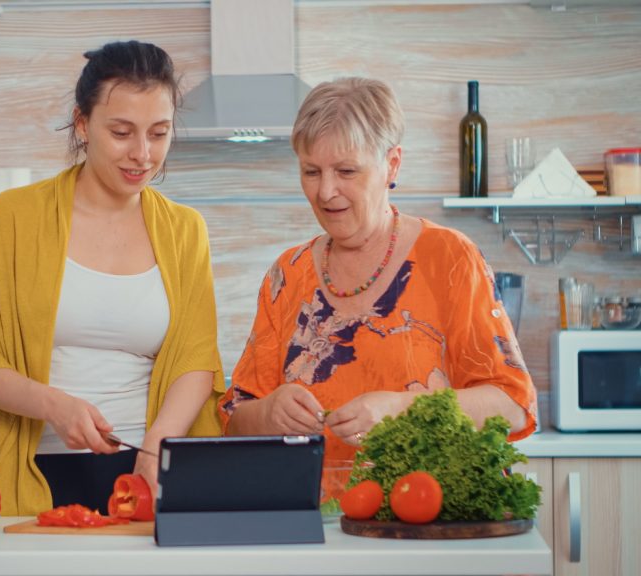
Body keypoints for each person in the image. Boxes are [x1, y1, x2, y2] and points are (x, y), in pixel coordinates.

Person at [0, 40, 224, 515]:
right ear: (83, 124)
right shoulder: (13, 217)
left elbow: (197, 358)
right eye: (122, 132)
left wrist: (157, 443)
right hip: (33, 465)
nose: (142, 154)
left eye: (159, 133)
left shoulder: (185, 231)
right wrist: (54, 405)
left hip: (144, 471)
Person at [220, 78, 537, 471]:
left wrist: (403, 410)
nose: (325, 192)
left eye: (346, 171)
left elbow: (514, 406)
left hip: (430, 518)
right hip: (320, 520)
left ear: (392, 164)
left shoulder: (450, 257)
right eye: (312, 171)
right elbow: (235, 418)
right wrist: (268, 412)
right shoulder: (288, 273)